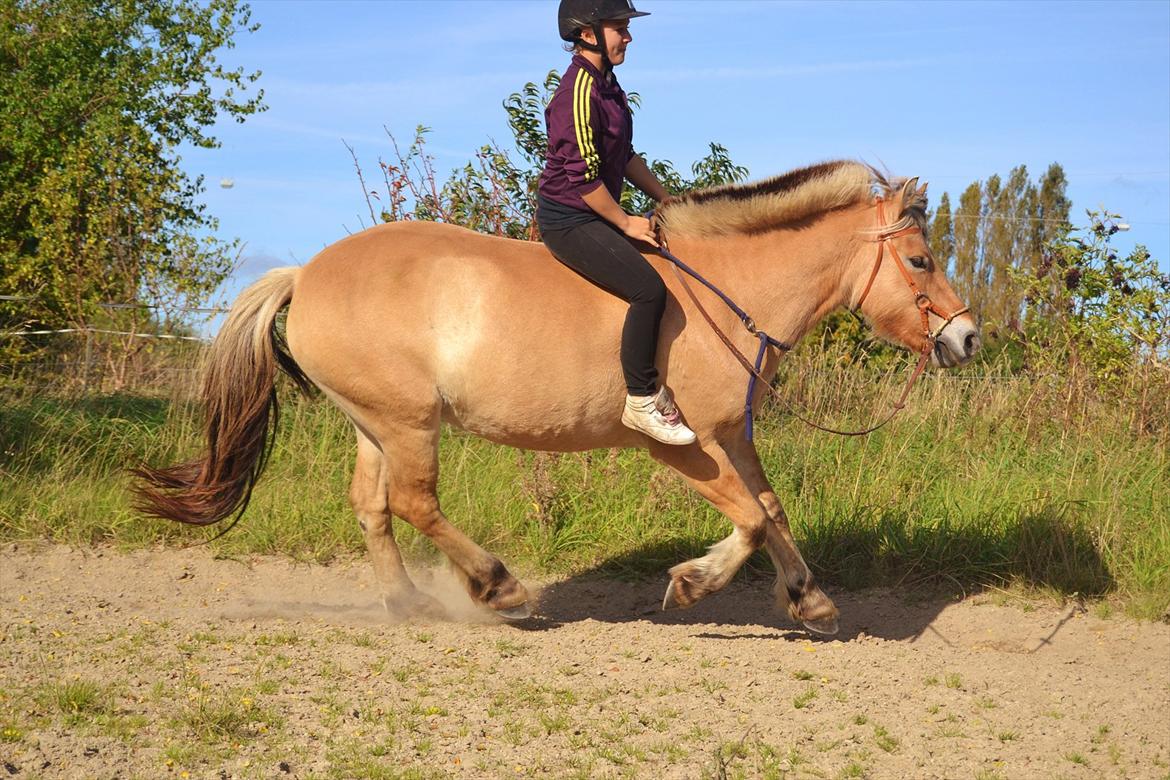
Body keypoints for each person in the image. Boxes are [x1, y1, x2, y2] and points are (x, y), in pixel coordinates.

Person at [536, 0, 696, 446]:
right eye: (620, 27)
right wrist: (626, 222)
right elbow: (583, 179)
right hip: (570, 218)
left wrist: (669, 200)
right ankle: (641, 397)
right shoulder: (577, 94)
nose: (628, 36)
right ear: (588, 33)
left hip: (595, 208)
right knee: (648, 290)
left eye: (626, 28)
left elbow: (623, 156)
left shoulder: (607, 84)